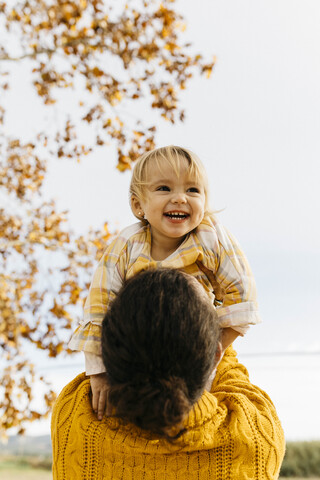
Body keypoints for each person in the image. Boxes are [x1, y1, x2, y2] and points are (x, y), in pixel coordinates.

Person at [68, 145, 261, 420]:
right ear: (138, 204)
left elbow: (243, 295)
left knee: (203, 415)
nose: (180, 198)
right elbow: (99, 307)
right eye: (164, 189)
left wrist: (210, 352)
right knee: (130, 414)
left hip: (200, 350)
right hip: (141, 354)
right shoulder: (126, 246)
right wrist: (99, 372)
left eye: (193, 190)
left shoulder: (211, 236)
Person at [52, 269, 285, 480]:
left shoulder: (76, 415)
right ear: (215, 353)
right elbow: (229, 370)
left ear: (108, 350)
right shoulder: (254, 436)